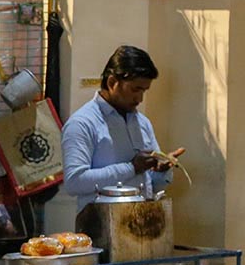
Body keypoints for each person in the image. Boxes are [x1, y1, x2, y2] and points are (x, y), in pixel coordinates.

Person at [61, 45, 183, 213]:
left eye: (144, 91)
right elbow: (75, 182)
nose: (140, 98)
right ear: (112, 82)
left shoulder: (142, 123)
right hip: (100, 228)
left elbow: (151, 185)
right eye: (135, 89)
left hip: (142, 225)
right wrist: (131, 168)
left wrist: (162, 171)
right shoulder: (82, 123)